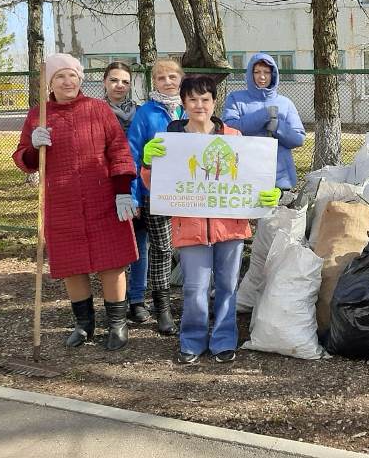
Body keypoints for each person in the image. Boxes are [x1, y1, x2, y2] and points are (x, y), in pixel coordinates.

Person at [140, 76, 280, 364]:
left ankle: (224, 340)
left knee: (228, 286)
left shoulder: (234, 137)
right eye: (192, 99)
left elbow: (251, 176)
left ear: (214, 102)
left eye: (205, 99)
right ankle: (192, 339)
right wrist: (148, 164)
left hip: (230, 226)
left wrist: (268, 193)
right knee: (195, 288)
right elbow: (157, 185)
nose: (199, 105)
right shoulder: (171, 141)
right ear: (183, 103)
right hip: (190, 227)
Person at [13, 53, 137, 350]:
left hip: (102, 198)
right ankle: (84, 324)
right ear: (50, 83)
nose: (67, 81)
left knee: (111, 262)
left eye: (72, 75)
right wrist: (34, 146)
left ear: (80, 79)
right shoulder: (38, 115)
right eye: (60, 76)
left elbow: (119, 149)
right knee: (72, 264)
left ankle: (117, 324)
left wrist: (122, 190)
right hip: (62, 202)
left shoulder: (98, 109)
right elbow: (24, 160)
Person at [127, 59, 185, 335]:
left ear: (181, 79)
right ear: (154, 82)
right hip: (156, 191)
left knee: (188, 246)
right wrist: (134, 194)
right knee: (161, 249)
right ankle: (162, 308)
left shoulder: (190, 107)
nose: (167, 82)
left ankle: (192, 301)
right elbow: (133, 153)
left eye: (172, 76)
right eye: (161, 78)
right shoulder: (146, 113)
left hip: (189, 192)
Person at [103, 61, 150, 324]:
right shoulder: (95, 111)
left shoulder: (140, 113)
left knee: (140, 244)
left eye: (124, 81)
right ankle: (115, 302)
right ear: (104, 82)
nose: (119, 86)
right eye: (114, 80)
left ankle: (137, 299)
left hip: (136, 186)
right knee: (112, 247)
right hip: (105, 186)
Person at [223, 53, 305, 191]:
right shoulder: (236, 99)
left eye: (266, 72)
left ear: (273, 74)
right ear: (250, 74)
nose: (262, 76)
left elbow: (298, 139)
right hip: (245, 175)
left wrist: (278, 127)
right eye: (257, 72)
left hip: (280, 178)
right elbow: (229, 129)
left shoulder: (285, 103)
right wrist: (262, 116)